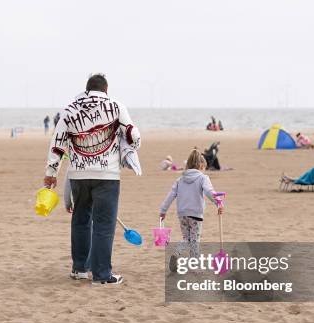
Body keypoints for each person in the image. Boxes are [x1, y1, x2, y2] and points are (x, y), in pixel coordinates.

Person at [43, 73, 141, 285]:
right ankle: (102, 275)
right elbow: (134, 135)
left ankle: (80, 268)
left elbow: (57, 143)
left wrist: (51, 173)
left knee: (80, 220)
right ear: (106, 89)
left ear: (87, 89)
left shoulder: (69, 109)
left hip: (78, 174)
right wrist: (130, 150)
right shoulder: (116, 106)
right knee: (104, 225)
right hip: (107, 175)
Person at [159, 149, 223, 262]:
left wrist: (163, 210)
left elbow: (170, 195)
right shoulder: (203, 178)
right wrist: (217, 201)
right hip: (196, 214)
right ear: (201, 165)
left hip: (182, 214)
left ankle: (176, 253)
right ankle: (194, 263)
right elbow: (209, 191)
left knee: (186, 239)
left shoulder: (180, 179)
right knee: (195, 240)